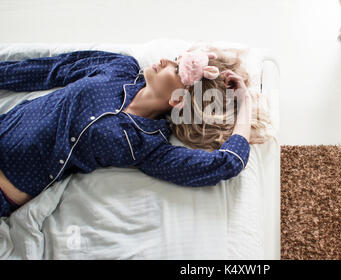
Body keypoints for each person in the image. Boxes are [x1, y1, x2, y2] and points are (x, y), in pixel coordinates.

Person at [0, 47, 270, 218]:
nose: (163, 60)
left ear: (178, 100)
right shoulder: (120, 68)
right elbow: (56, 69)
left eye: (174, 67)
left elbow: (226, 164)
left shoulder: (147, 145)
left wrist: (244, 103)